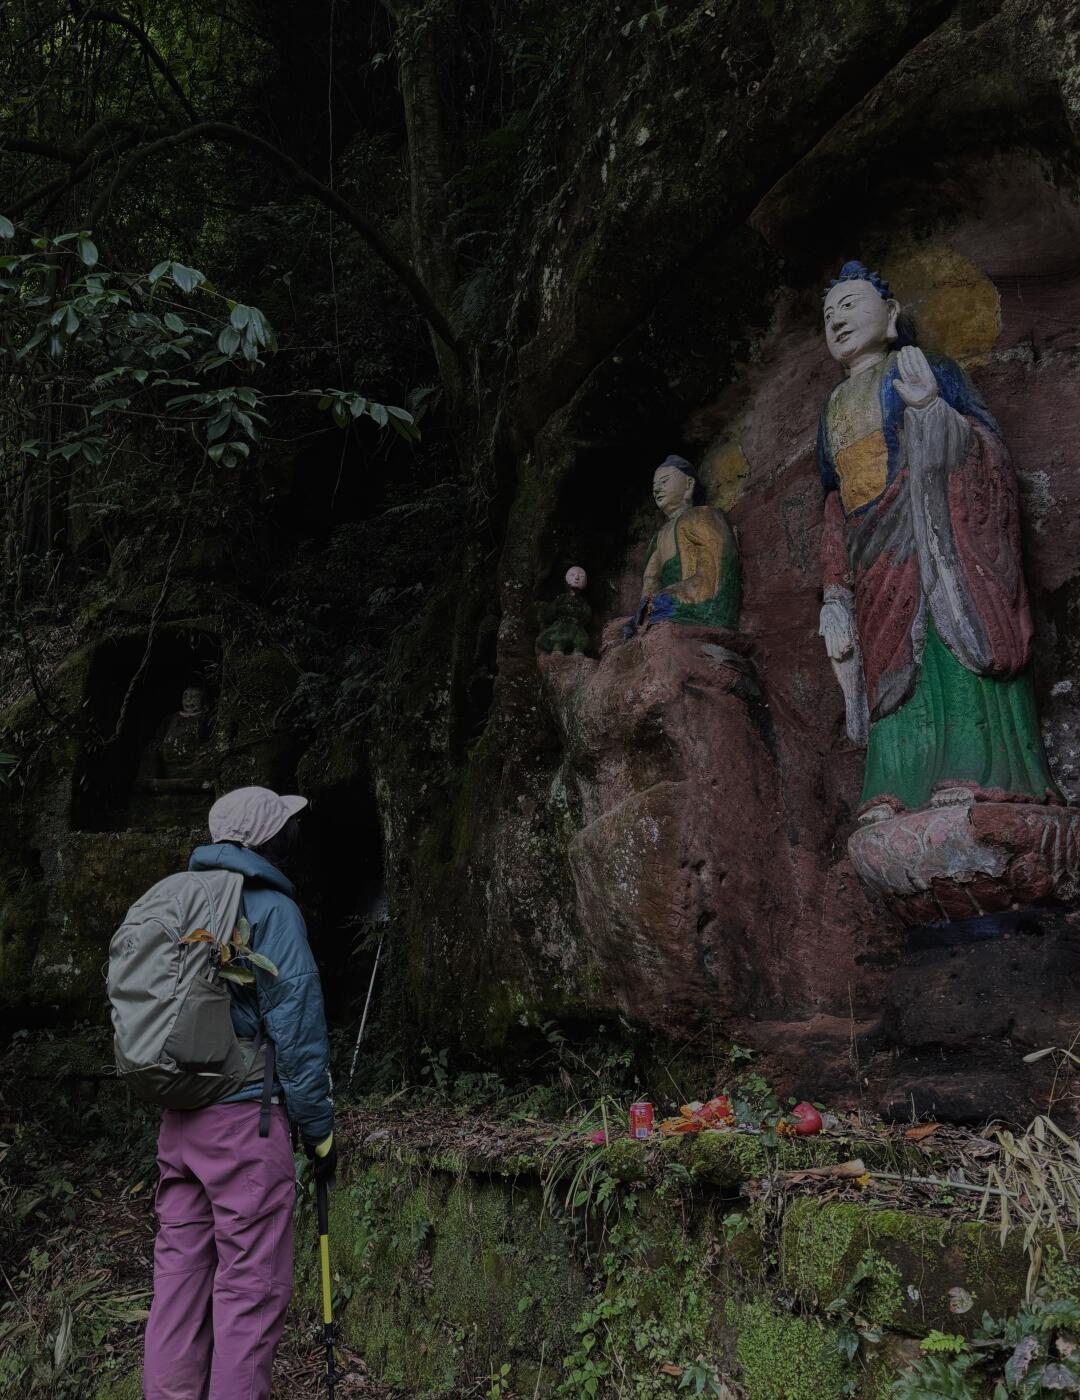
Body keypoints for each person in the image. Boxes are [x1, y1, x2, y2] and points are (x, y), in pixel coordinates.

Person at [816, 261, 1059, 821]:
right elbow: (834, 507)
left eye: (850, 304)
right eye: (828, 315)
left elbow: (988, 450)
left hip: (938, 543)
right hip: (872, 558)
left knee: (950, 649)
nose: (837, 321)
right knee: (886, 668)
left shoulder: (928, 366)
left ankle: (982, 768)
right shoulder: (829, 410)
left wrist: (931, 412)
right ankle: (895, 782)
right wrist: (834, 592)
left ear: (892, 313)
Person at [143, 785, 336, 1400]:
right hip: (243, 1129)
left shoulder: (179, 899)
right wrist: (319, 1130)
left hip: (180, 1122)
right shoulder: (269, 909)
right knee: (248, 1294)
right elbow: (296, 1024)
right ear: (266, 841)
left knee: (177, 1290)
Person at [624, 454, 740, 637]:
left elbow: (717, 562)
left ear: (688, 484)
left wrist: (675, 595)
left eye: (664, 482)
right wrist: (643, 607)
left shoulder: (701, 516)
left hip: (701, 596)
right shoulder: (658, 536)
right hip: (668, 597)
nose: (657, 490)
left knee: (661, 605)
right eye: (654, 486)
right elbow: (650, 579)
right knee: (625, 626)